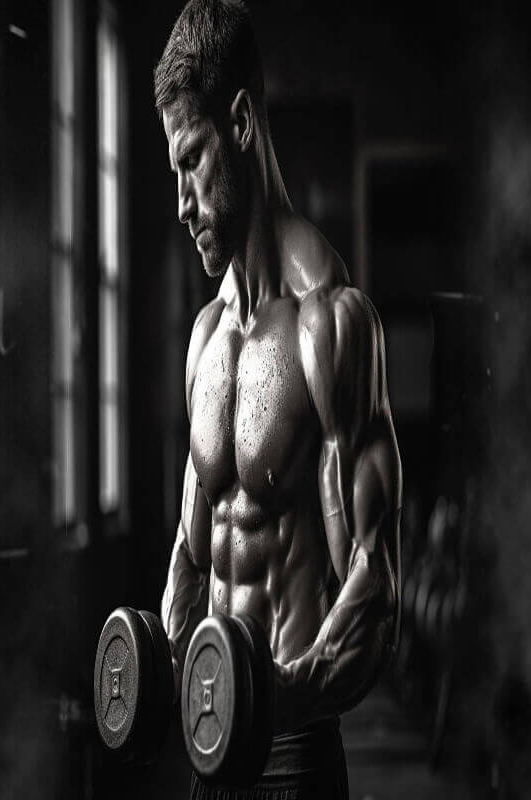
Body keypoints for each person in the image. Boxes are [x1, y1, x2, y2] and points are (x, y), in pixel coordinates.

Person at [155, 2, 402, 797]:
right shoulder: (204, 340)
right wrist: (168, 659)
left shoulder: (330, 324)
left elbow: (375, 579)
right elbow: (193, 551)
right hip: (210, 741)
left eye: (193, 161)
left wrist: (276, 697)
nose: (182, 200)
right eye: (173, 173)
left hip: (291, 753)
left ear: (240, 124)